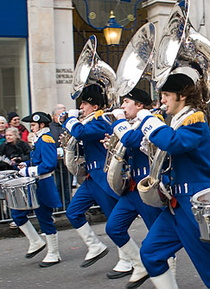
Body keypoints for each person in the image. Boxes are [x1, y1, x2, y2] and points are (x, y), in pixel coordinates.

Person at [137, 66, 210, 289]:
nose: (162, 101)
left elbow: (174, 144)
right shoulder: (177, 120)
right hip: (175, 203)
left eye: (167, 95)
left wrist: (147, 121)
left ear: (183, 95)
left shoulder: (195, 119)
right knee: (150, 253)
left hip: (194, 202)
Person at [62, 84, 131, 273]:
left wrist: (70, 120)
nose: (81, 107)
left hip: (103, 176)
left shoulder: (100, 120)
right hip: (91, 177)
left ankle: (128, 259)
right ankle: (95, 246)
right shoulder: (89, 121)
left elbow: (81, 133)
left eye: (84, 103)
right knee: (73, 212)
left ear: (94, 105)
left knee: (114, 222)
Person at [105, 88, 164, 288]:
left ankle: (167, 278)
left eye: (126, 102)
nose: (122, 106)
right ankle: (139, 264)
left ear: (139, 105)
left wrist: (119, 121)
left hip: (147, 188)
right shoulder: (132, 124)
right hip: (130, 189)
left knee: (158, 237)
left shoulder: (151, 120)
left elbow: (132, 139)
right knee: (113, 228)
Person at [13, 111, 63, 267]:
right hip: (35, 184)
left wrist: (28, 171)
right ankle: (36, 241)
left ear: (42, 125)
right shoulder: (39, 139)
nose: (31, 128)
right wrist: (26, 164)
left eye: (33, 125)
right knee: (17, 214)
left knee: (44, 218)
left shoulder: (46, 139)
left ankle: (54, 253)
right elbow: (37, 160)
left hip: (43, 184)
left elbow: (49, 164)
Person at [49, 104, 72, 209]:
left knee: (67, 185)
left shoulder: (67, 125)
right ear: (54, 116)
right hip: (56, 161)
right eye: (60, 115)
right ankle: (58, 207)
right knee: (57, 185)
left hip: (67, 160)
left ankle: (67, 205)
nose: (62, 117)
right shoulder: (50, 128)